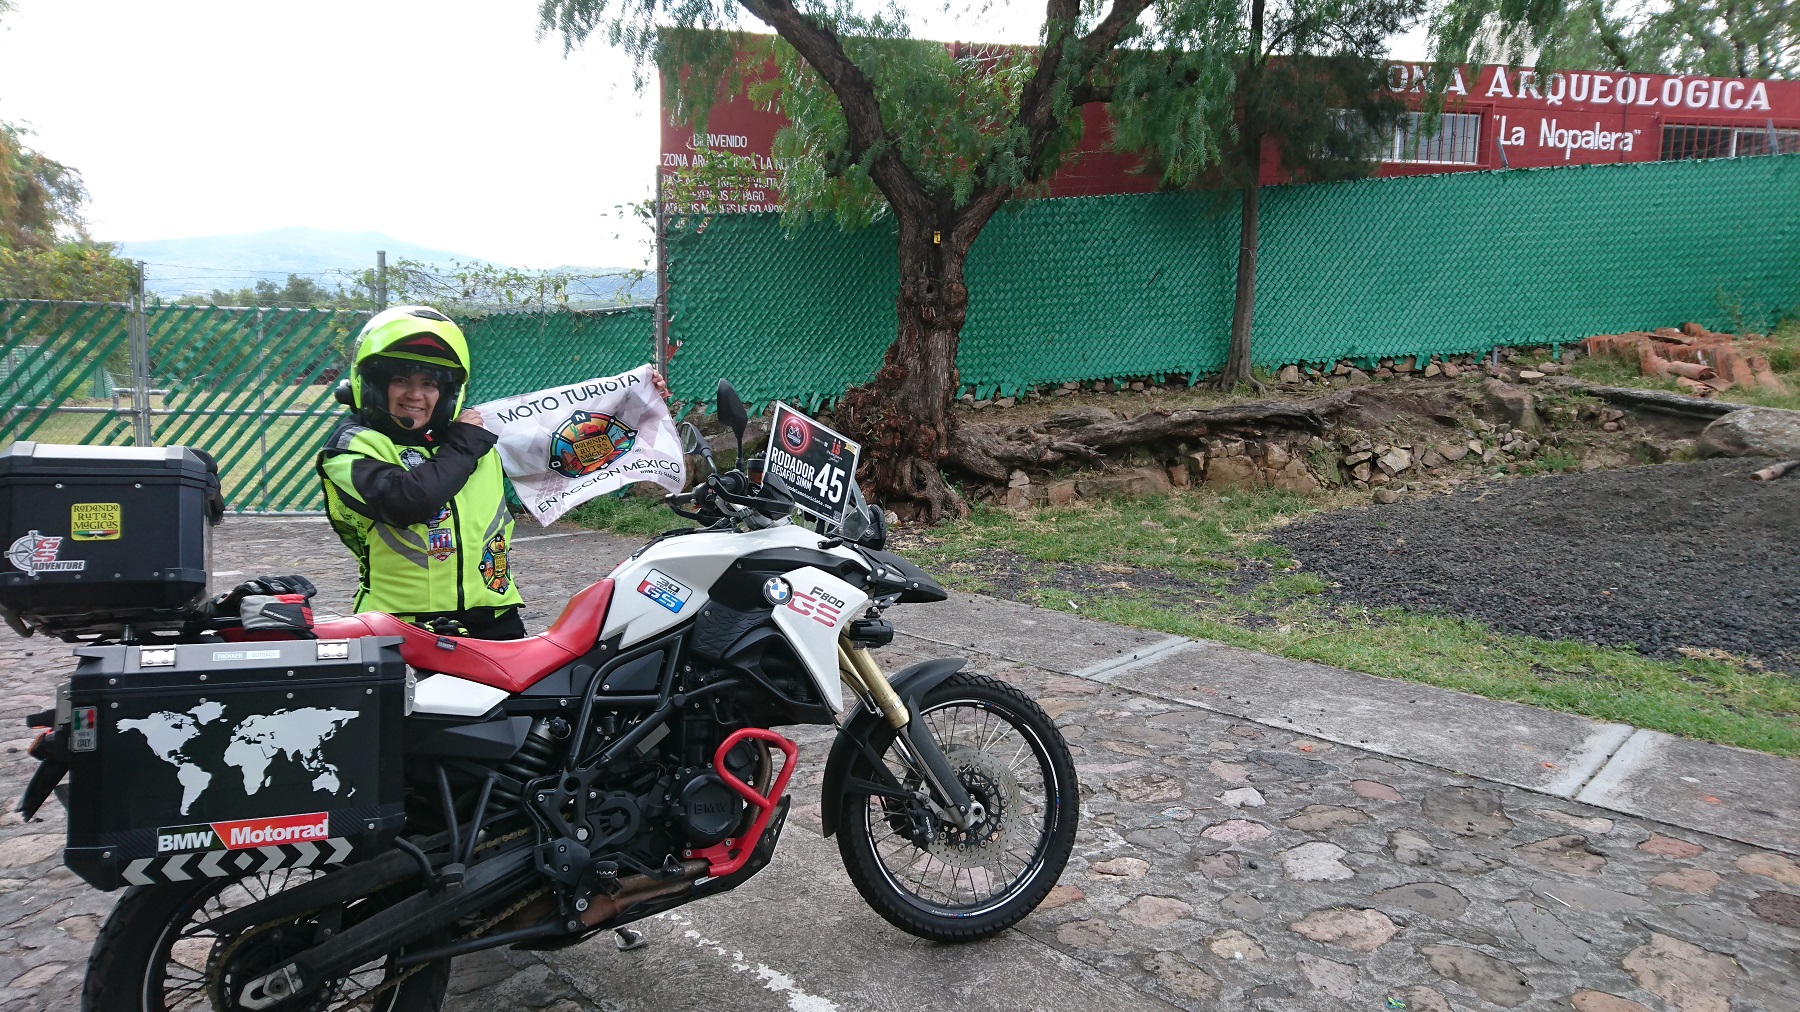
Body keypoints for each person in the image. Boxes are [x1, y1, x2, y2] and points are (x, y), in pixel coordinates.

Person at [316, 306, 526, 639]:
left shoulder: (469, 437)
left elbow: (563, 449)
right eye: (401, 380)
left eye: (429, 383)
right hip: (400, 624)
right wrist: (463, 445)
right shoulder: (352, 446)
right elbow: (408, 501)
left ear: (447, 393)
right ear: (374, 386)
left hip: (495, 617)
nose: (415, 394)